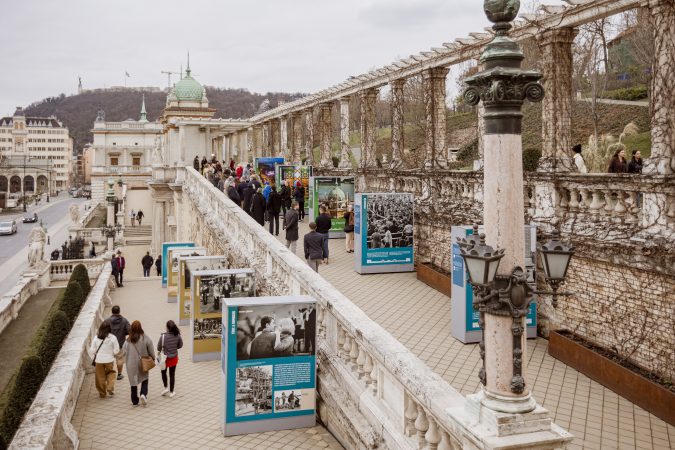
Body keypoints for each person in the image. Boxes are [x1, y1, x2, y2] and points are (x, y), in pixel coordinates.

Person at [123, 321, 155, 406]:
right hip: (143, 362)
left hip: (130, 364)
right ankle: (143, 394)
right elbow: (151, 349)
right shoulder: (145, 338)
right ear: (141, 327)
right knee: (144, 377)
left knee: (133, 381)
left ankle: (134, 400)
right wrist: (153, 358)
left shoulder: (128, 340)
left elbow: (123, 352)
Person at [90, 320, 120, 398]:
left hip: (99, 361)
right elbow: (117, 350)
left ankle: (102, 393)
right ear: (110, 328)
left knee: (100, 377)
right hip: (109, 360)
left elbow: (92, 350)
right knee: (111, 373)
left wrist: (95, 355)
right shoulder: (113, 338)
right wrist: (112, 354)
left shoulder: (96, 337)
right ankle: (110, 387)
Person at [157, 320, 183, 398]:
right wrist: (175, 348)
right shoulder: (177, 335)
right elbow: (180, 345)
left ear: (167, 327)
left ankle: (165, 387)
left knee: (163, 372)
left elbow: (158, 348)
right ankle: (172, 392)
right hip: (174, 358)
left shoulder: (163, 336)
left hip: (164, 359)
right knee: (172, 374)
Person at [108, 305, 130, 380]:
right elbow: (129, 331)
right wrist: (124, 333)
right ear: (119, 311)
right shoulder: (124, 320)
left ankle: (109, 374)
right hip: (120, 344)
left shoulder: (107, 321)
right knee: (120, 359)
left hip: (109, 344)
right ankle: (119, 374)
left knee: (109, 359)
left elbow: (103, 331)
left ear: (112, 312)